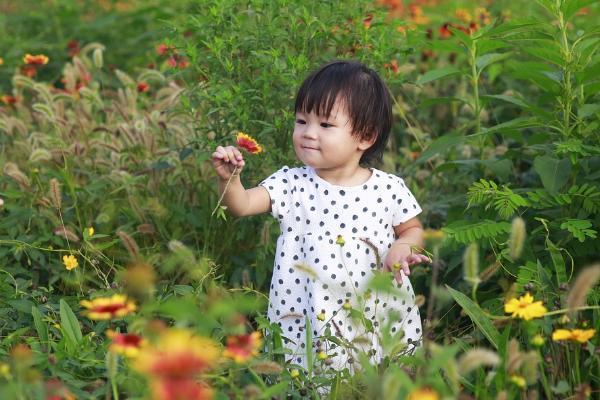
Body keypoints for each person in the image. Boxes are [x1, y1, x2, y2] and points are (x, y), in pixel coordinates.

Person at [211, 60, 430, 371]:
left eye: (325, 125)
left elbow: (413, 228)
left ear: (365, 136)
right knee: (314, 379)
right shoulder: (291, 183)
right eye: (302, 121)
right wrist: (230, 180)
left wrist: (403, 246)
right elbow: (242, 205)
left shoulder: (388, 188)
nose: (308, 133)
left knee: (378, 375)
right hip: (309, 313)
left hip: (374, 308)